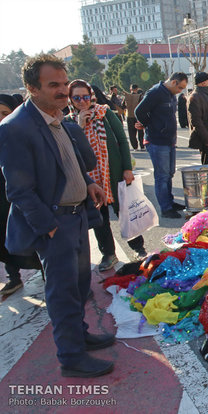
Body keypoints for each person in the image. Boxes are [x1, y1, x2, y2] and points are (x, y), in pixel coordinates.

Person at [0, 54, 113, 377]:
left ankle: (80, 336)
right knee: (62, 292)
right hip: (55, 224)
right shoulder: (15, 128)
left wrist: (89, 183)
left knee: (79, 286)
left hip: (76, 217)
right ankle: (72, 357)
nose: (64, 91)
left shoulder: (57, 118)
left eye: (65, 83)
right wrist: (48, 227)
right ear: (32, 88)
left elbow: (70, 162)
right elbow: (19, 191)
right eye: (54, 85)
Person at [66, 79, 148, 268]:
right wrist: (79, 125)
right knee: (99, 218)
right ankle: (109, 254)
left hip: (114, 174)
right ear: (70, 99)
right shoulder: (69, 122)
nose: (82, 101)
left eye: (85, 97)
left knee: (126, 212)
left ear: (91, 96)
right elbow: (69, 149)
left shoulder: (105, 113)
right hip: (89, 179)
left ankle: (139, 248)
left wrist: (127, 168)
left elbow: (121, 140)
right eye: (76, 98)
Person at [0, 95, 42, 296]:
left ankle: (46, 273)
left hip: (20, 200)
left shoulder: (20, 134)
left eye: (4, 114)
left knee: (33, 240)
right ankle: (13, 277)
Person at [135, 72, 188, 219]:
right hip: (157, 141)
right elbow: (139, 111)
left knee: (169, 173)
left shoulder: (170, 94)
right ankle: (166, 208)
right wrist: (148, 125)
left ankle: (170, 202)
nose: (180, 91)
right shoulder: (156, 92)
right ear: (173, 82)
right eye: (180, 87)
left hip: (169, 141)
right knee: (162, 176)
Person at [123, 84, 145, 150]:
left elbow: (123, 106)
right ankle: (142, 146)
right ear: (137, 88)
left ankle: (135, 146)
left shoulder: (127, 96)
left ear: (131, 89)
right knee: (140, 131)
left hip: (129, 116)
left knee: (131, 132)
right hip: (138, 116)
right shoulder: (140, 96)